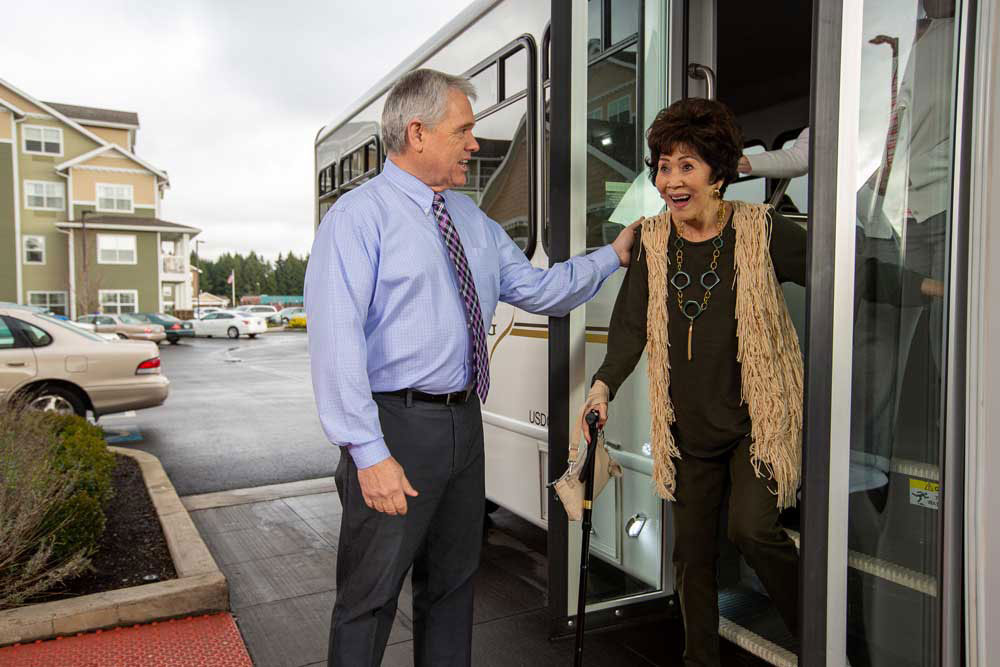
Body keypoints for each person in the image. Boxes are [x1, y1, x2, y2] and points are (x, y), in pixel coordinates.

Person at [577, 98, 937, 667]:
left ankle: (820, 635)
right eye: (664, 166)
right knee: (692, 557)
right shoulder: (650, 242)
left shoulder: (761, 230)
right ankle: (701, 660)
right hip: (687, 427)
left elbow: (844, 269)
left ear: (719, 175)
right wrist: (602, 388)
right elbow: (628, 328)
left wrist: (923, 287)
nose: (671, 180)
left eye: (686, 166)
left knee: (751, 530)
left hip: (757, 421)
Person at [304, 68, 641, 667]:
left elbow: (539, 289)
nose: (475, 143)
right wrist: (367, 452)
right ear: (417, 133)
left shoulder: (471, 222)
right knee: (369, 597)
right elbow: (336, 345)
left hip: (464, 424)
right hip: (394, 428)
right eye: (463, 130)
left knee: (454, 589)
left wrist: (612, 256)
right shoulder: (358, 219)